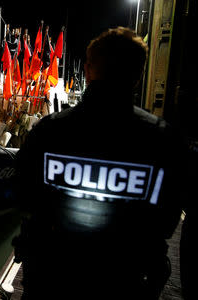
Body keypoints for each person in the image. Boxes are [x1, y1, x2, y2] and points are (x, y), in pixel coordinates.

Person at [12, 27, 195, 299]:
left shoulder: (48, 132)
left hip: (52, 280)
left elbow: (23, 199)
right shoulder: (164, 141)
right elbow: (167, 220)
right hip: (124, 282)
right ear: (138, 76)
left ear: (87, 69)